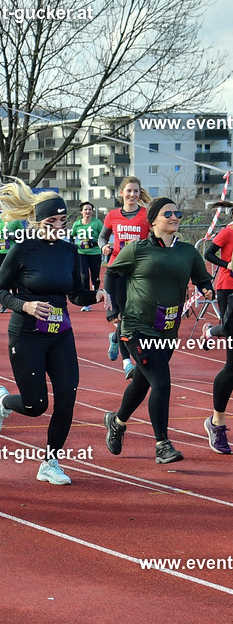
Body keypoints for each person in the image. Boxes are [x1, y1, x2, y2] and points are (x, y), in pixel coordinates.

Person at [0, 184, 109, 485]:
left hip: (60, 333)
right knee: (35, 405)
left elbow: (76, 294)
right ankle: (2, 402)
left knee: (67, 397)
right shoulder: (22, 250)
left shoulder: (69, 251)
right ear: (38, 222)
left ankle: (50, 462)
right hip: (26, 335)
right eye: (51, 222)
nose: (58, 228)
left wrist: (97, 295)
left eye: (62, 222)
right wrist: (24, 304)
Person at [103, 198, 213, 464]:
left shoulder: (188, 252)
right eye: (168, 213)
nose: (175, 217)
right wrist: (114, 310)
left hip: (167, 330)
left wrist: (207, 288)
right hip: (137, 328)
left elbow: (201, 278)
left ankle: (116, 422)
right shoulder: (136, 249)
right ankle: (162, 444)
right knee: (161, 382)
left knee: (143, 382)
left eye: (178, 213)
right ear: (153, 221)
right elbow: (113, 275)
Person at [98, 177, 151, 378]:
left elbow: (154, 238)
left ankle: (121, 348)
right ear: (122, 193)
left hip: (138, 274)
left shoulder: (146, 216)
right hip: (115, 270)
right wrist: (103, 246)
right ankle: (126, 361)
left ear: (139, 193)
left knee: (130, 318)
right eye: (129, 191)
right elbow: (102, 236)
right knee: (119, 317)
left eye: (136, 191)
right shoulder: (112, 215)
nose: (132, 195)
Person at [196, 201, 233, 454]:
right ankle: (217, 422)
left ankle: (211, 331)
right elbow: (208, 254)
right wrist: (227, 265)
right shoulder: (229, 230)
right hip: (228, 287)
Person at [72, 201, 104, 311]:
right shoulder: (77, 224)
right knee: (84, 276)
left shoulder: (97, 223)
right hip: (82, 253)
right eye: (85, 209)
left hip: (95, 253)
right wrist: (75, 246)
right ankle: (86, 302)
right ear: (81, 211)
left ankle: (96, 289)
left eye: (90, 209)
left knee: (95, 276)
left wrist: (94, 243)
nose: (88, 211)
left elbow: (103, 236)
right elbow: (72, 236)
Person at [0, 212, 25, 312]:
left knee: (12, 277)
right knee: (1, 278)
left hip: (11, 252)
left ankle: (15, 296)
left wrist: (12, 236)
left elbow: (22, 234)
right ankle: (4, 303)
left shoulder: (15, 221)